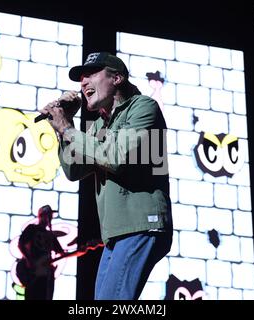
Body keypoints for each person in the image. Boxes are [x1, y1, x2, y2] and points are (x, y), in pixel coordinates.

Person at [39, 52, 173, 300]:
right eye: (81, 78)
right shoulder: (100, 125)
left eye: (91, 74)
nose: (83, 82)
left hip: (141, 224)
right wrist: (64, 125)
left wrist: (67, 129)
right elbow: (73, 170)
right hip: (116, 233)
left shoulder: (143, 107)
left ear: (117, 78)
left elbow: (116, 157)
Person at [16, 205, 64, 300]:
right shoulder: (32, 229)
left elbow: (62, 252)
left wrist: (84, 249)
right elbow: (20, 244)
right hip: (33, 274)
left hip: (45, 276)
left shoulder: (50, 235)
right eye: (48, 215)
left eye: (50, 216)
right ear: (41, 216)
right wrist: (29, 260)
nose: (49, 218)